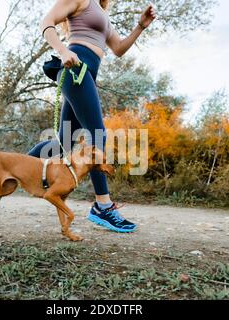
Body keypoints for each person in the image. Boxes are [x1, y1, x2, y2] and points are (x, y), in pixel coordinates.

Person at [28, 0, 156, 233]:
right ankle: (102, 206)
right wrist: (63, 50)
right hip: (75, 67)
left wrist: (140, 26)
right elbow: (46, 22)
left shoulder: (102, 13)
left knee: (63, 144)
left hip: (87, 74)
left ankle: (16, 164)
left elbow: (117, 48)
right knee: (98, 134)